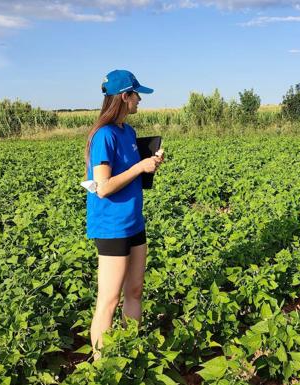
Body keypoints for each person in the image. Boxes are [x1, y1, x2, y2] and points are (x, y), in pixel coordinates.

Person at [84, 69, 163, 360]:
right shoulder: (104, 136)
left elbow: (130, 174)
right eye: (136, 94)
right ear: (124, 97)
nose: (140, 99)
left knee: (135, 290)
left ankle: (130, 351)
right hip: (111, 226)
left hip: (133, 221)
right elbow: (103, 188)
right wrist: (139, 168)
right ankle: (101, 364)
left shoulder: (127, 132)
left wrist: (149, 163)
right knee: (109, 298)